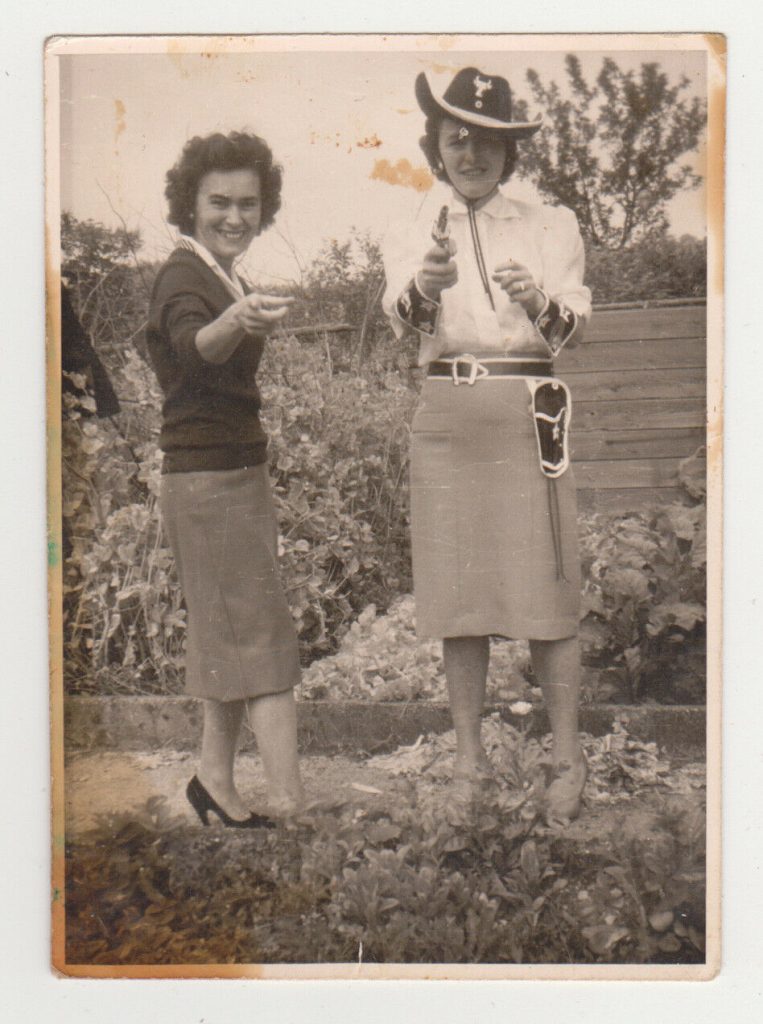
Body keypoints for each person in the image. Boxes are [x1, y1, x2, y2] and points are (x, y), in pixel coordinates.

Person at [382, 68, 592, 824]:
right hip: (446, 414)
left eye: (486, 141)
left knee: (547, 587)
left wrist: (538, 300)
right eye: (455, 139)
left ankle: (566, 759)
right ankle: (467, 759)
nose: (470, 153)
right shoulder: (412, 221)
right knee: (456, 594)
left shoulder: (548, 223)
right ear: (437, 148)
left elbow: (571, 326)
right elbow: (399, 315)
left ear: (509, 152)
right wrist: (426, 286)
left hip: (527, 410)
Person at [146, 131, 304, 827]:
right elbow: (191, 348)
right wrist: (235, 318)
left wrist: (238, 307)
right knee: (263, 643)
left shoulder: (219, 273)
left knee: (230, 638)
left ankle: (213, 778)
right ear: (190, 204)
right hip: (208, 482)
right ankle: (294, 809)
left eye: (248, 203)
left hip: (230, 472)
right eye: (219, 203)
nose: (234, 216)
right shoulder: (184, 278)